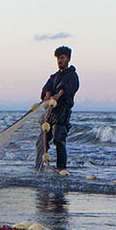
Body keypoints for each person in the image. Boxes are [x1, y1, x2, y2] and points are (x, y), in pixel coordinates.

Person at [40, 45, 80, 173]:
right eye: (58, 59)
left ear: (68, 59)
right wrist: (47, 94)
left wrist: (59, 94)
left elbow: (66, 89)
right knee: (44, 140)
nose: (59, 61)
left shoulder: (72, 75)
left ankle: (61, 168)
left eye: (62, 58)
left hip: (63, 112)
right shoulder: (54, 76)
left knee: (59, 139)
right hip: (50, 112)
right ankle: (40, 166)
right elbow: (47, 88)